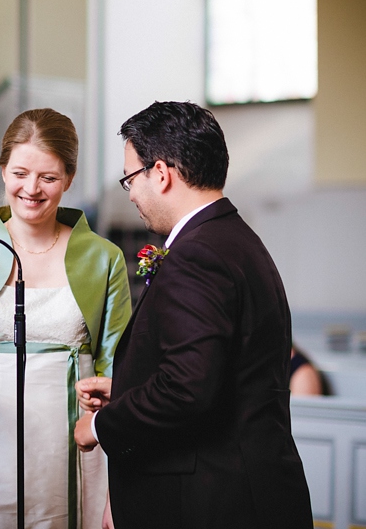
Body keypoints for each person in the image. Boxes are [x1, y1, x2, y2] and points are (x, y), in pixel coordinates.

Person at [74, 101, 313, 529]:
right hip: (251, 488)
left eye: (130, 179)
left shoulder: (197, 253)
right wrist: (130, 387)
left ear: (161, 173)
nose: (130, 194)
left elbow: (188, 387)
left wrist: (102, 426)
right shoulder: (236, 239)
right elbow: (220, 372)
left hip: (215, 501)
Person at [0, 108, 132, 529]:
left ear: (70, 179)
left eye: (49, 178)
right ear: (2, 171)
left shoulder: (104, 258)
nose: (32, 189)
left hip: (70, 449)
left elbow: (120, 368)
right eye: (20, 173)